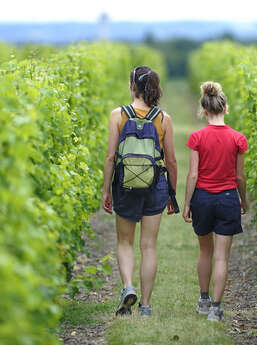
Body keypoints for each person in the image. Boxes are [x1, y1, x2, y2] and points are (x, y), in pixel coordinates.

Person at [102, 66, 178, 317]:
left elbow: (111, 156)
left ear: (132, 86)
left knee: (125, 241)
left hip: (125, 183)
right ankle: (145, 306)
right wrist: (171, 193)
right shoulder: (163, 118)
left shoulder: (118, 115)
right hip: (155, 184)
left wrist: (106, 190)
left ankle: (127, 287)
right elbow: (171, 161)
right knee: (149, 246)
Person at [183, 81, 248, 322]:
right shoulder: (238, 139)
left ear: (204, 110)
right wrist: (243, 200)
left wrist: (188, 203)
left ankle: (203, 299)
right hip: (228, 198)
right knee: (222, 256)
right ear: (225, 108)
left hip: (202, 199)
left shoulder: (196, 137)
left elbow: (193, 174)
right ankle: (217, 309)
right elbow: (239, 176)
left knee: (205, 251)